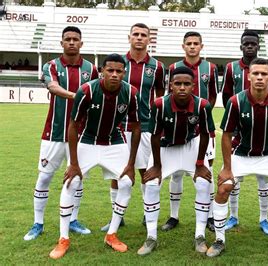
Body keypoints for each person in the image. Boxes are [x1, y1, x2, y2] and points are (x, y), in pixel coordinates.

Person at [206, 58, 268, 258]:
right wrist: (226, 167)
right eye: (255, 73)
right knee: (224, 188)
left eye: (264, 74)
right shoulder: (235, 101)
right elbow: (226, 135)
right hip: (241, 155)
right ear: (249, 76)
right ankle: (219, 240)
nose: (259, 77)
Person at [48, 53, 140, 259]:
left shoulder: (131, 93)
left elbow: (135, 128)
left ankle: (112, 234)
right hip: (88, 140)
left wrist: (131, 163)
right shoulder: (86, 90)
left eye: (119, 71)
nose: (115, 75)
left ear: (124, 73)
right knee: (71, 182)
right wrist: (73, 163)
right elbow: (73, 126)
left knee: (126, 182)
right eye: (110, 70)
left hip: (114, 141)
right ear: (102, 72)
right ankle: (63, 239)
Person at [24, 26, 98, 241]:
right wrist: (79, 96)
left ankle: (73, 219)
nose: (72, 42)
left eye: (76, 39)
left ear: (81, 43)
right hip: (54, 133)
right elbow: (53, 88)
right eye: (68, 39)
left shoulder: (91, 69)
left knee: (76, 179)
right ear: (62, 43)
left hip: (81, 135)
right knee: (44, 177)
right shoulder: (51, 66)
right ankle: (38, 223)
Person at [139, 66, 215, 255]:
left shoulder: (202, 105)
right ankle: (151, 237)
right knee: (151, 184)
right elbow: (155, 136)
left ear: (193, 86)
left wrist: (199, 164)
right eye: (178, 83)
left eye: (186, 84)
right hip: (165, 149)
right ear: (170, 85)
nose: (182, 87)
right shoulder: (159, 104)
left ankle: (199, 235)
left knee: (205, 183)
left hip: (191, 147)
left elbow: (205, 135)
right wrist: (157, 165)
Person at [101, 22, 166, 232]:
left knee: (145, 172)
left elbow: (159, 96)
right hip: (117, 126)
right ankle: (116, 218)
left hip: (145, 126)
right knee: (116, 173)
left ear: (149, 39)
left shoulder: (156, 66)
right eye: (135, 34)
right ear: (129, 37)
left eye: (143, 35)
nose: (139, 38)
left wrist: (158, 122)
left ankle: (148, 215)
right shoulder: (118, 64)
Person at [220, 29, 268, 235]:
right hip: (239, 129)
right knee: (233, 177)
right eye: (247, 43)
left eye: (254, 43)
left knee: (264, 178)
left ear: (258, 46)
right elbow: (227, 94)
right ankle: (233, 216)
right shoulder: (231, 68)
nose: (250, 46)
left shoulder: (267, 68)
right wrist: (234, 118)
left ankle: (264, 219)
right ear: (241, 46)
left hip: (262, 130)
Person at [163, 31, 218, 232]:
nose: (192, 46)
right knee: (175, 174)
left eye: (196, 43)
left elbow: (212, 96)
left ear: (201, 46)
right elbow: (169, 95)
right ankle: (173, 216)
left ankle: (210, 215)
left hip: (203, 128)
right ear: (183, 46)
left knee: (207, 171)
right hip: (177, 128)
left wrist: (202, 113)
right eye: (189, 43)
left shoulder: (210, 68)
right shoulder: (173, 68)